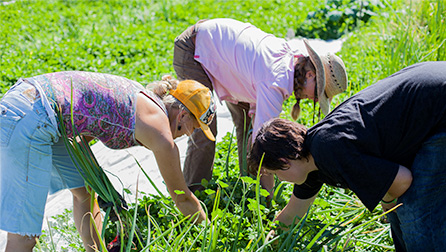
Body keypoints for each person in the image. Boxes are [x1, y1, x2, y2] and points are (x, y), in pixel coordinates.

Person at [0, 71, 216, 251]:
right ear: (183, 115)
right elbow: (182, 198)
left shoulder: (144, 99)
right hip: (32, 116)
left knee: (85, 191)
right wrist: (211, 233)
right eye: (195, 127)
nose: (189, 134)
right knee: (24, 236)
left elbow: (80, 133)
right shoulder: (159, 131)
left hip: (34, 103)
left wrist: (104, 189)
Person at [247, 61, 446, 251]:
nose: (281, 180)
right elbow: (291, 215)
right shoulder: (311, 161)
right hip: (431, 93)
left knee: (415, 211)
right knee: (398, 210)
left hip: (439, 106)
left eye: (276, 174)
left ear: (285, 162)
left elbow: (403, 181)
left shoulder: (330, 151)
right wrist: (265, 245)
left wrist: (386, 199)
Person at [173, 18, 348, 192]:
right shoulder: (275, 81)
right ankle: (193, 194)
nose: (314, 99)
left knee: (246, 123)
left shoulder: (290, 64)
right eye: (319, 93)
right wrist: (267, 197)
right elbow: (264, 145)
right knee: (205, 126)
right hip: (195, 48)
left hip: (222, 54)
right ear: (310, 75)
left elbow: (258, 131)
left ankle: (248, 185)